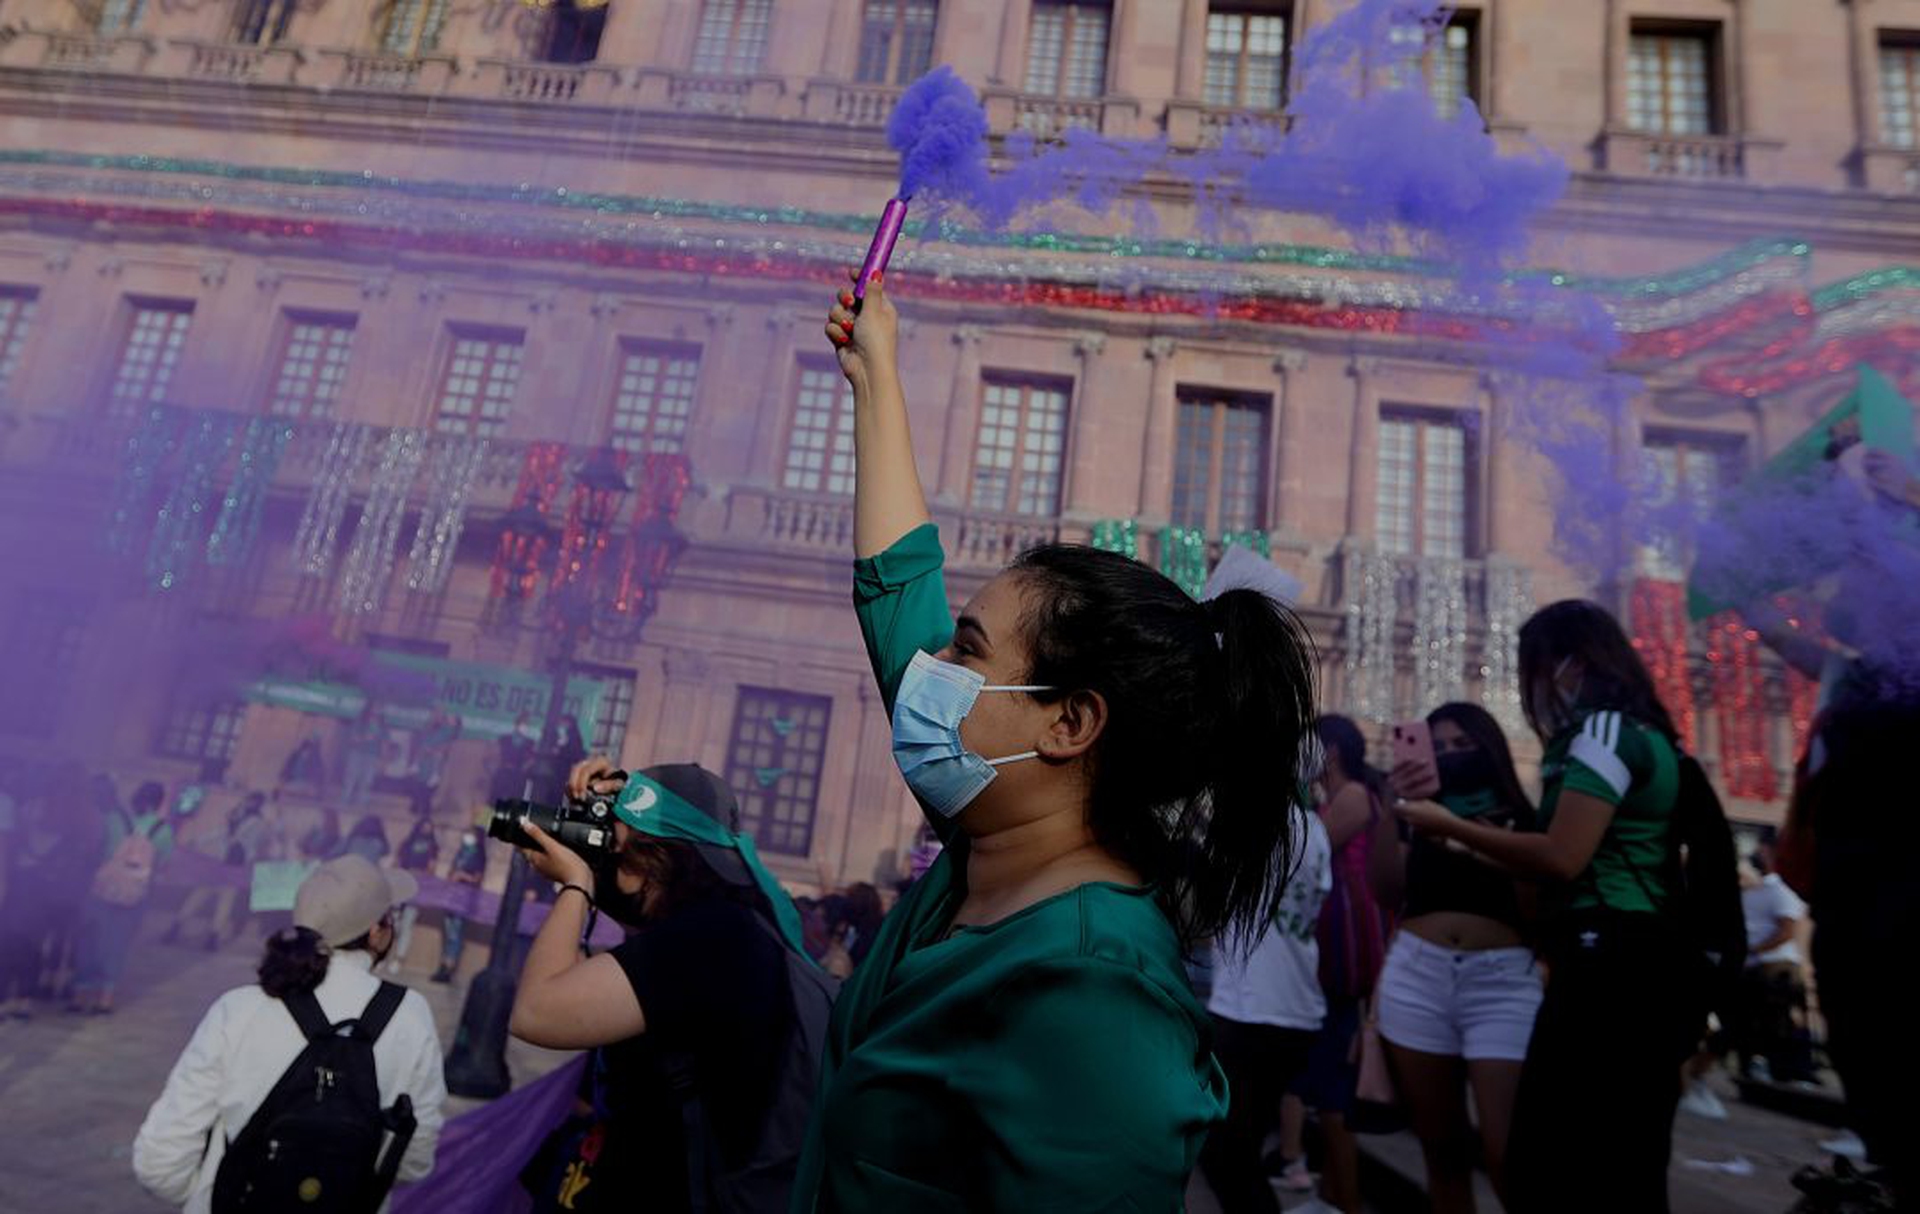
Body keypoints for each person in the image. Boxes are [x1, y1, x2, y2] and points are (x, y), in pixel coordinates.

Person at [805, 270, 1317, 1207]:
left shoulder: (1096, 992)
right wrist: (877, 376)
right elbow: (897, 593)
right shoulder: (990, 838)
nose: (928, 675)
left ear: (1070, 723)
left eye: (966, 651)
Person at [1392, 600, 1700, 1213]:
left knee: (1563, 1157)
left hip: (1611, 957)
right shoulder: (1641, 732)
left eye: (1535, 668)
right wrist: (1455, 838)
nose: (1536, 689)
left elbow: (1561, 857)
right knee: (1602, 1155)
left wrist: (1453, 827)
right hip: (1613, 955)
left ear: (1569, 662)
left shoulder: (1605, 732)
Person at [511, 763, 822, 1213]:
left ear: (653, 854)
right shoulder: (726, 930)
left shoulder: (712, 938)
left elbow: (536, 1012)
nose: (606, 854)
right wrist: (606, 801)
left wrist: (575, 885)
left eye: (614, 840)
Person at [132, 854, 446, 1213]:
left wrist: (207, 1193)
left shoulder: (240, 1010)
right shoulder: (410, 1016)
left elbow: (159, 1159)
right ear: (376, 931)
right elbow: (413, 1159)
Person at [1374, 703, 1542, 1213]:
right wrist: (1392, 803)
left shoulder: (1522, 818)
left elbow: (1537, 913)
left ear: (1489, 748)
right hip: (1418, 976)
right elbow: (1385, 889)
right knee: (1441, 1149)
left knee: (1509, 1154)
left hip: (1504, 984)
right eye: (1439, 747)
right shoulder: (1418, 813)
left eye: (1463, 745)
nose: (1450, 757)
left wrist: (1483, 838)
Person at [1198, 801, 1334, 1214]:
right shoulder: (1312, 827)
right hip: (1285, 1009)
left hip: (1253, 1011)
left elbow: (1208, 902)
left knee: (1225, 1155)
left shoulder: (1261, 820)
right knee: (1235, 1154)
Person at [1289, 714, 1392, 1214]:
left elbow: (1309, 853)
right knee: (1325, 1072)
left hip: (1345, 952)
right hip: (1329, 949)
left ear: (1329, 752)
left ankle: (1345, 1199)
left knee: (1333, 1079)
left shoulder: (1350, 796)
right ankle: (1332, 1192)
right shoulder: (1334, 796)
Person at [72, 779, 174, 1015]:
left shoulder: (113, 819)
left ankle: (80, 995)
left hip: (101, 888)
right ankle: (105, 999)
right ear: (159, 803)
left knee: (90, 940)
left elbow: (96, 849)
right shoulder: (163, 830)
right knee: (117, 944)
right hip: (136, 893)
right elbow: (163, 865)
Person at [167, 792, 269, 952]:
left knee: (218, 902)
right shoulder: (244, 816)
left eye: (252, 800)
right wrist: (199, 840)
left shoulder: (256, 822)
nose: (248, 802)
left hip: (233, 865)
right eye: (249, 799)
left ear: (257, 803)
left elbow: (248, 844)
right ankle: (179, 927)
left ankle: (210, 936)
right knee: (202, 896)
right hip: (225, 865)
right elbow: (222, 832)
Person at [388, 793, 440, 976]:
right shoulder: (408, 842)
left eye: (429, 827)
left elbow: (431, 868)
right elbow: (397, 860)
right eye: (425, 826)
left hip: (417, 888)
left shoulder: (433, 846)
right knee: (393, 921)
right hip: (402, 885)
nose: (426, 829)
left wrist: (420, 874)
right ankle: (385, 954)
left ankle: (398, 959)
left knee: (407, 924)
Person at [431, 822, 488, 983]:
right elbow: (450, 871)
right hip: (452, 897)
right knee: (448, 932)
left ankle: (448, 969)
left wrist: (461, 876)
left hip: (464, 900)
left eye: (470, 833)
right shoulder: (461, 852)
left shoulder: (479, 856)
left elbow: (477, 879)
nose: (467, 836)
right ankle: (442, 966)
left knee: (455, 935)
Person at [342, 704, 387, 809]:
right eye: (375, 707)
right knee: (350, 777)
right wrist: (364, 738)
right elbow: (353, 739)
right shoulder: (360, 722)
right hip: (357, 753)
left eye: (380, 708)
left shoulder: (383, 727)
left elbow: (384, 744)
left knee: (367, 780)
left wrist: (382, 760)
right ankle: (344, 801)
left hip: (372, 756)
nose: (377, 710)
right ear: (370, 709)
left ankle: (360, 804)